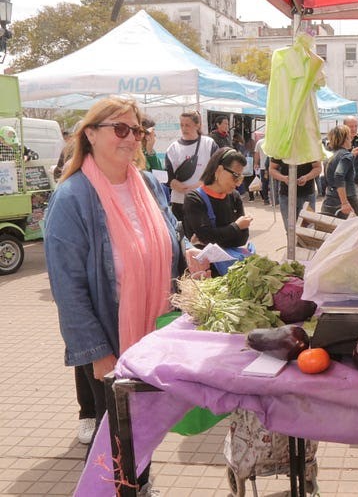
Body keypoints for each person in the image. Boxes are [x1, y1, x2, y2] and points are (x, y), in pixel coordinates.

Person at [43, 97, 181, 495]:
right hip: (109, 337)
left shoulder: (150, 185)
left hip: (153, 333)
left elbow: (170, 238)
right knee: (113, 437)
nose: (131, 138)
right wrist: (97, 353)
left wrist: (189, 253)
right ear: (90, 134)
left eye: (136, 130)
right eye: (119, 129)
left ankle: (140, 485)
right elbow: (67, 289)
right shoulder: (72, 198)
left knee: (142, 426)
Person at [182, 148, 252, 275]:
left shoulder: (234, 196)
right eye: (235, 176)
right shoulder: (194, 198)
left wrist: (212, 237)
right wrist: (236, 226)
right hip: (205, 273)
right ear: (219, 170)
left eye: (240, 177)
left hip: (232, 270)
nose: (237, 183)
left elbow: (242, 239)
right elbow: (207, 236)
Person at [165, 111, 219, 221]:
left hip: (205, 199)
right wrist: (173, 183)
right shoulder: (173, 148)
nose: (184, 129)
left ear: (197, 124)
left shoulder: (209, 144)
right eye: (181, 125)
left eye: (187, 125)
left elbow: (218, 169)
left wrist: (204, 183)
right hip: (180, 202)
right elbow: (167, 176)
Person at [321, 125, 358, 218]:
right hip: (347, 198)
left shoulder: (331, 155)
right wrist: (344, 202)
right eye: (349, 136)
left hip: (329, 199)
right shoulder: (346, 156)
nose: (351, 139)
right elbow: (339, 175)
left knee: (332, 230)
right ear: (345, 138)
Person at [269, 156, 322, 231]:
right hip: (286, 195)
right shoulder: (281, 148)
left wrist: (306, 177)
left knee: (307, 230)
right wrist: (284, 178)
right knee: (290, 230)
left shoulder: (309, 147)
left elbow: (318, 167)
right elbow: (272, 169)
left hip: (307, 195)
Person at [343, 116, 358, 210]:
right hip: (344, 182)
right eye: (350, 126)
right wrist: (351, 154)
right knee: (346, 212)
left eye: (355, 126)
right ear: (344, 127)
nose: (353, 129)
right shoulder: (339, 142)